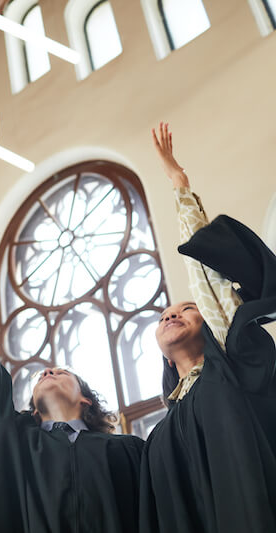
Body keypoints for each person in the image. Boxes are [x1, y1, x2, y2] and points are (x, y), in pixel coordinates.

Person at [0, 214, 144, 533]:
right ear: (32, 409)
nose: (48, 371)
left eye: (61, 372)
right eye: (44, 374)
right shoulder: (12, 441)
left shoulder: (124, 451)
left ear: (86, 399)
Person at [139, 123, 276, 532]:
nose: (170, 315)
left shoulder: (231, 364)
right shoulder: (158, 438)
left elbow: (207, 278)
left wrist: (180, 185)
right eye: (163, 315)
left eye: (187, 308)